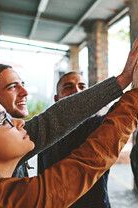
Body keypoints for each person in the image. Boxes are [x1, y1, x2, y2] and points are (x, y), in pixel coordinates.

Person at [0, 30, 138, 207]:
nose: (25, 92)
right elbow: (85, 163)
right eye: (4, 120)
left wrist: (130, 84)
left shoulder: (18, 146)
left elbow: (55, 119)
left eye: (82, 88)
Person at [38, 71, 112, 208]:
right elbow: (41, 180)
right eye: (68, 87)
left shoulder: (100, 125)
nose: (77, 91)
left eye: (82, 86)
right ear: (57, 98)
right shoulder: (47, 134)